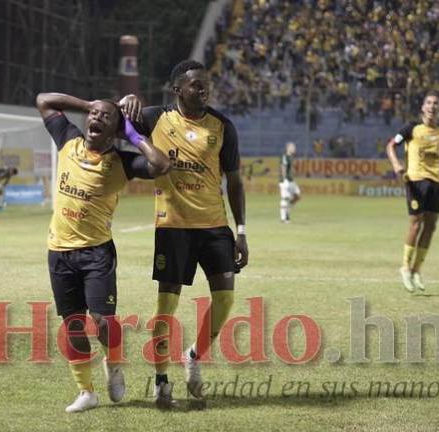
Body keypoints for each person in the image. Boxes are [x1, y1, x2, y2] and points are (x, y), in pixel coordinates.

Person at [120, 59, 248, 408]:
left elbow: (235, 182)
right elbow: (114, 121)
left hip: (214, 226)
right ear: (177, 89)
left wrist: (241, 230)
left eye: (206, 83)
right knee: (167, 306)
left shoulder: (223, 126)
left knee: (225, 298)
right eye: (195, 84)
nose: (203, 89)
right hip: (173, 227)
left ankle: (193, 354)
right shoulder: (154, 118)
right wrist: (125, 103)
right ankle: (162, 382)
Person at [35, 91, 170, 413]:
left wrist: (134, 135)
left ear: (116, 131)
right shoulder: (68, 139)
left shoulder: (122, 162)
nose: (95, 119)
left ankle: (114, 364)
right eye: (93, 115)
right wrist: (92, 105)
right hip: (59, 251)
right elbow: (44, 100)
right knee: (73, 325)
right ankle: (86, 392)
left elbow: (161, 164)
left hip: (97, 253)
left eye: (105, 117)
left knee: (103, 322)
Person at [386, 91, 439, 293]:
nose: (432, 106)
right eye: (428, 103)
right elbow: (391, 145)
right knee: (415, 224)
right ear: (423, 107)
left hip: (435, 182)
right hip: (415, 180)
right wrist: (396, 165)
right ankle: (405, 267)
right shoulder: (411, 127)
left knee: (431, 226)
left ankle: (416, 270)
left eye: (435, 103)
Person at [279, 141, 302, 223]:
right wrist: (284, 178)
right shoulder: (285, 156)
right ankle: (283, 218)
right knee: (285, 198)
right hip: (285, 181)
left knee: (298, 196)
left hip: (291, 180)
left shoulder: (291, 157)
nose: (294, 148)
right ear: (288, 148)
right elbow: (283, 167)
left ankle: (287, 210)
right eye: (293, 147)